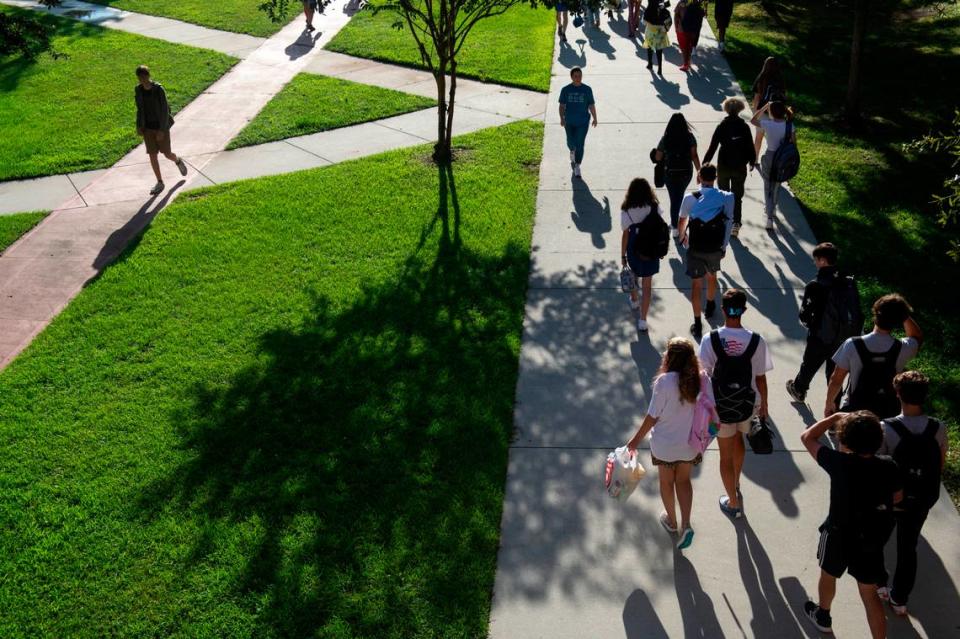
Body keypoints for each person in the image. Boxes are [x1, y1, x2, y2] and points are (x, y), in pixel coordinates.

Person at [800, 411, 902, 638]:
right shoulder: (889, 465)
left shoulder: (839, 462)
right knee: (869, 592)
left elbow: (807, 437)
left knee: (828, 574)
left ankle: (823, 615)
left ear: (844, 440)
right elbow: (897, 497)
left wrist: (833, 416)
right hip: (871, 538)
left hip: (838, 533)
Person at [876, 371, 948, 616]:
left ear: (898, 394)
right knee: (908, 547)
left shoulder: (886, 427)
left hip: (890, 499)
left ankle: (880, 584)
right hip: (922, 498)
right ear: (925, 396)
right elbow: (940, 463)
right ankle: (900, 598)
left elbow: (879, 466)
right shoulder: (939, 428)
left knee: (879, 539)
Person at [698, 289, 772, 518]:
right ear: (744, 310)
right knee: (740, 441)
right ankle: (736, 484)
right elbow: (760, 377)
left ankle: (732, 502)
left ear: (723, 309)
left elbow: (703, 373)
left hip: (720, 407)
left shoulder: (710, 339)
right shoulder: (756, 341)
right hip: (747, 405)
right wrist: (764, 407)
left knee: (725, 455)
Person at [626, 337, 704, 550]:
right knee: (684, 482)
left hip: (664, 446)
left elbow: (652, 416)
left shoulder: (664, 382)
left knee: (666, 483)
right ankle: (686, 524)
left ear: (670, 358)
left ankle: (672, 521)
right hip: (688, 444)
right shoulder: (698, 379)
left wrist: (634, 441)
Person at [787, 242, 863, 403]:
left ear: (822, 260)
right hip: (844, 336)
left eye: (816, 260)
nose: (815, 263)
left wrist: (810, 323)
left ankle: (799, 390)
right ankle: (834, 406)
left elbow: (804, 315)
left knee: (810, 364)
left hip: (821, 335)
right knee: (834, 373)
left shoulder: (816, 285)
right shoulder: (848, 281)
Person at [825, 293, 923, 419]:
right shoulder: (904, 347)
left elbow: (836, 379)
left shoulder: (852, 344)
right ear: (899, 320)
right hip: (888, 413)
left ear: (875, 314)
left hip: (856, 412)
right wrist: (902, 314)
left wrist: (829, 404)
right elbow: (917, 337)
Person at [677, 164, 733, 339]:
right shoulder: (727, 197)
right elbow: (728, 223)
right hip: (715, 247)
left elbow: (681, 220)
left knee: (696, 285)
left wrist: (682, 237)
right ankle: (710, 304)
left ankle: (698, 323)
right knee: (712, 276)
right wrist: (724, 246)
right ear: (715, 178)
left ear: (699, 177)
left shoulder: (690, 198)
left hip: (696, 247)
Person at [702, 97, 755, 237]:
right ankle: (735, 224)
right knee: (737, 197)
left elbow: (712, 147)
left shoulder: (722, 127)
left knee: (724, 195)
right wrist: (752, 161)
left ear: (726, 109)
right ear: (740, 110)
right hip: (739, 166)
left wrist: (704, 164)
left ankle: (725, 221)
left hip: (724, 166)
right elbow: (750, 146)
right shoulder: (744, 127)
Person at [134, 65, 188, 196]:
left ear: (148, 75)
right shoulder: (138, 90)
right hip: (147, 128)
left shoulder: (159, 89)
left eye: (144, 76)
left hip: (160, 127)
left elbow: (164, 111)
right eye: (140, 77)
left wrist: (162, 130)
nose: (142, 79)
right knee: (152, 155)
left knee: (167, 154)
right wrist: (139, 125)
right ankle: (159, 182)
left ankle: (177, 161)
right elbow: (139, 109)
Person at [620, 178, 665, 332]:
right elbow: (661, 225)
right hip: (651, 249)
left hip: (634, 248)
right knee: (647, 286)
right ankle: (643, 320)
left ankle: (634, 299)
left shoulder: (626, 210)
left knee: (632, 275)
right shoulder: (654, 206)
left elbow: (625, 234)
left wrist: (622, 255)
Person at [750, 99, 795, 231]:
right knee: (776, 185)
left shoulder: (767, 124)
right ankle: (773, 208)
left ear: (771, 112)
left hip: (769, 157)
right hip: (783, 159)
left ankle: (769, 217)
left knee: (767, 186)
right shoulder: (789, 126)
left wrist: (764, 107)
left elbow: (752, 120)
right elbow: (794, 145)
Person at [655, 113, 700, 234]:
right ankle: (677, 225)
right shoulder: (690, 137)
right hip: (686, 172)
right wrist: (699, 171)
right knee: (678, 197)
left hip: (670, 172)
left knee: (674, 198)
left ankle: (675, 226)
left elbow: (658, 157)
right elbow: (694, 155)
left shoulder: (666, 138)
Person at [642, 2, 671, 75]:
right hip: (660, 32)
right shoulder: (663, 9)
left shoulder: (648, 9)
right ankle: (660, 68)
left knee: (649, 48)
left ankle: (650, 64)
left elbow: (644, 22)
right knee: (659, 51)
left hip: (650, 32)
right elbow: (668, 21)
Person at [676, 0, 705, 71]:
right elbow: (702, 14)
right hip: (692, 29)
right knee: (688, 47)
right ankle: (687, 63)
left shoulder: (682, 3)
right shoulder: (698, 4)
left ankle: (686, 64)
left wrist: (676, 27)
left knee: (685, 47)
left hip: (684, 29)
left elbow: (676, 15)